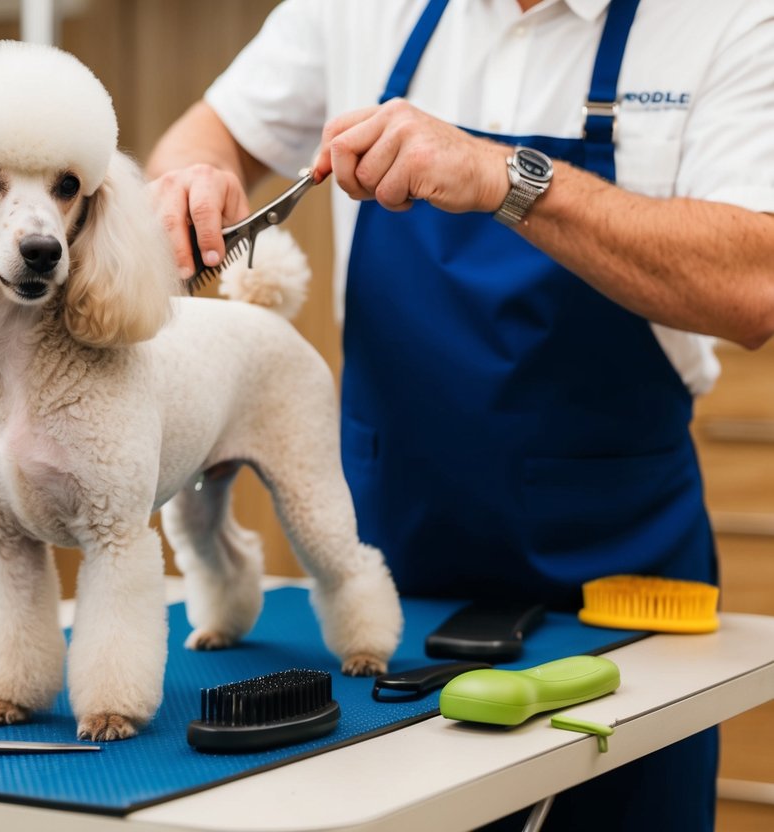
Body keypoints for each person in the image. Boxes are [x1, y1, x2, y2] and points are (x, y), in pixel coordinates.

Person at [145, 1, 774, 830]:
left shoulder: (729, 20)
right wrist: (188, 178)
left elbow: (753, 285)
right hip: (394, 570)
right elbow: (204, 136)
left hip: (620, 573)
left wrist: (505, 179)